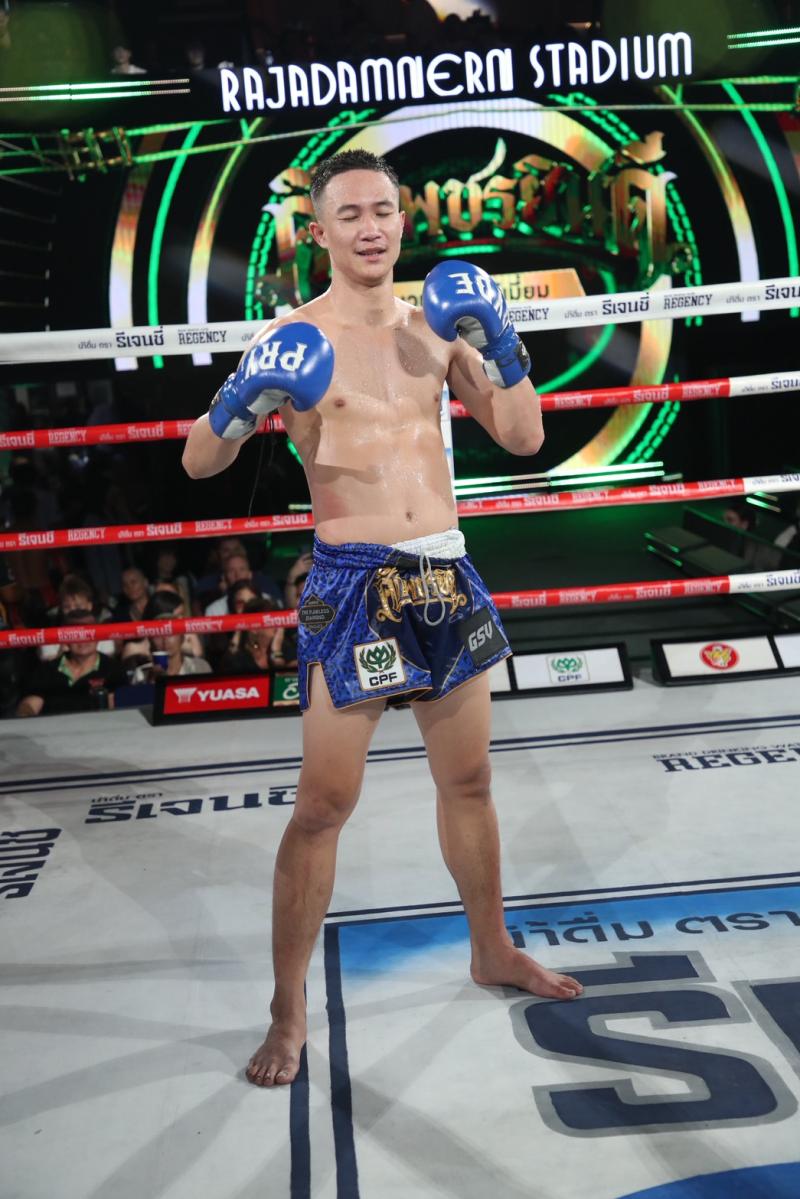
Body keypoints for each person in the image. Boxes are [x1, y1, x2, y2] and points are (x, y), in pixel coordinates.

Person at [182, 148, 582, 1089]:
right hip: (352, 580)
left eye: (383, 211)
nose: (370, 228)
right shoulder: (292, 337)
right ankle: (288, 1008)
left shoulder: (436, 328)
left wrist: (503, 342)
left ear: (404, 221)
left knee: (470, 781)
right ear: (318, 230)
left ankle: (491, 947)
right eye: (350, 214)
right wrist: (241, 401)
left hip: (443, 570)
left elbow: (524, 436)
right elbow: (199, 462)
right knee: (323, 805)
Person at [16, 612, 126, 717]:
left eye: (88, 633)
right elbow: (29, 705)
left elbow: (118, 710)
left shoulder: (113, 669)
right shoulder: (46, 670)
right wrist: (25, 714)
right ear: (65, 639)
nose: (83, 639)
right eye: (75, 634)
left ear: (98, 636)